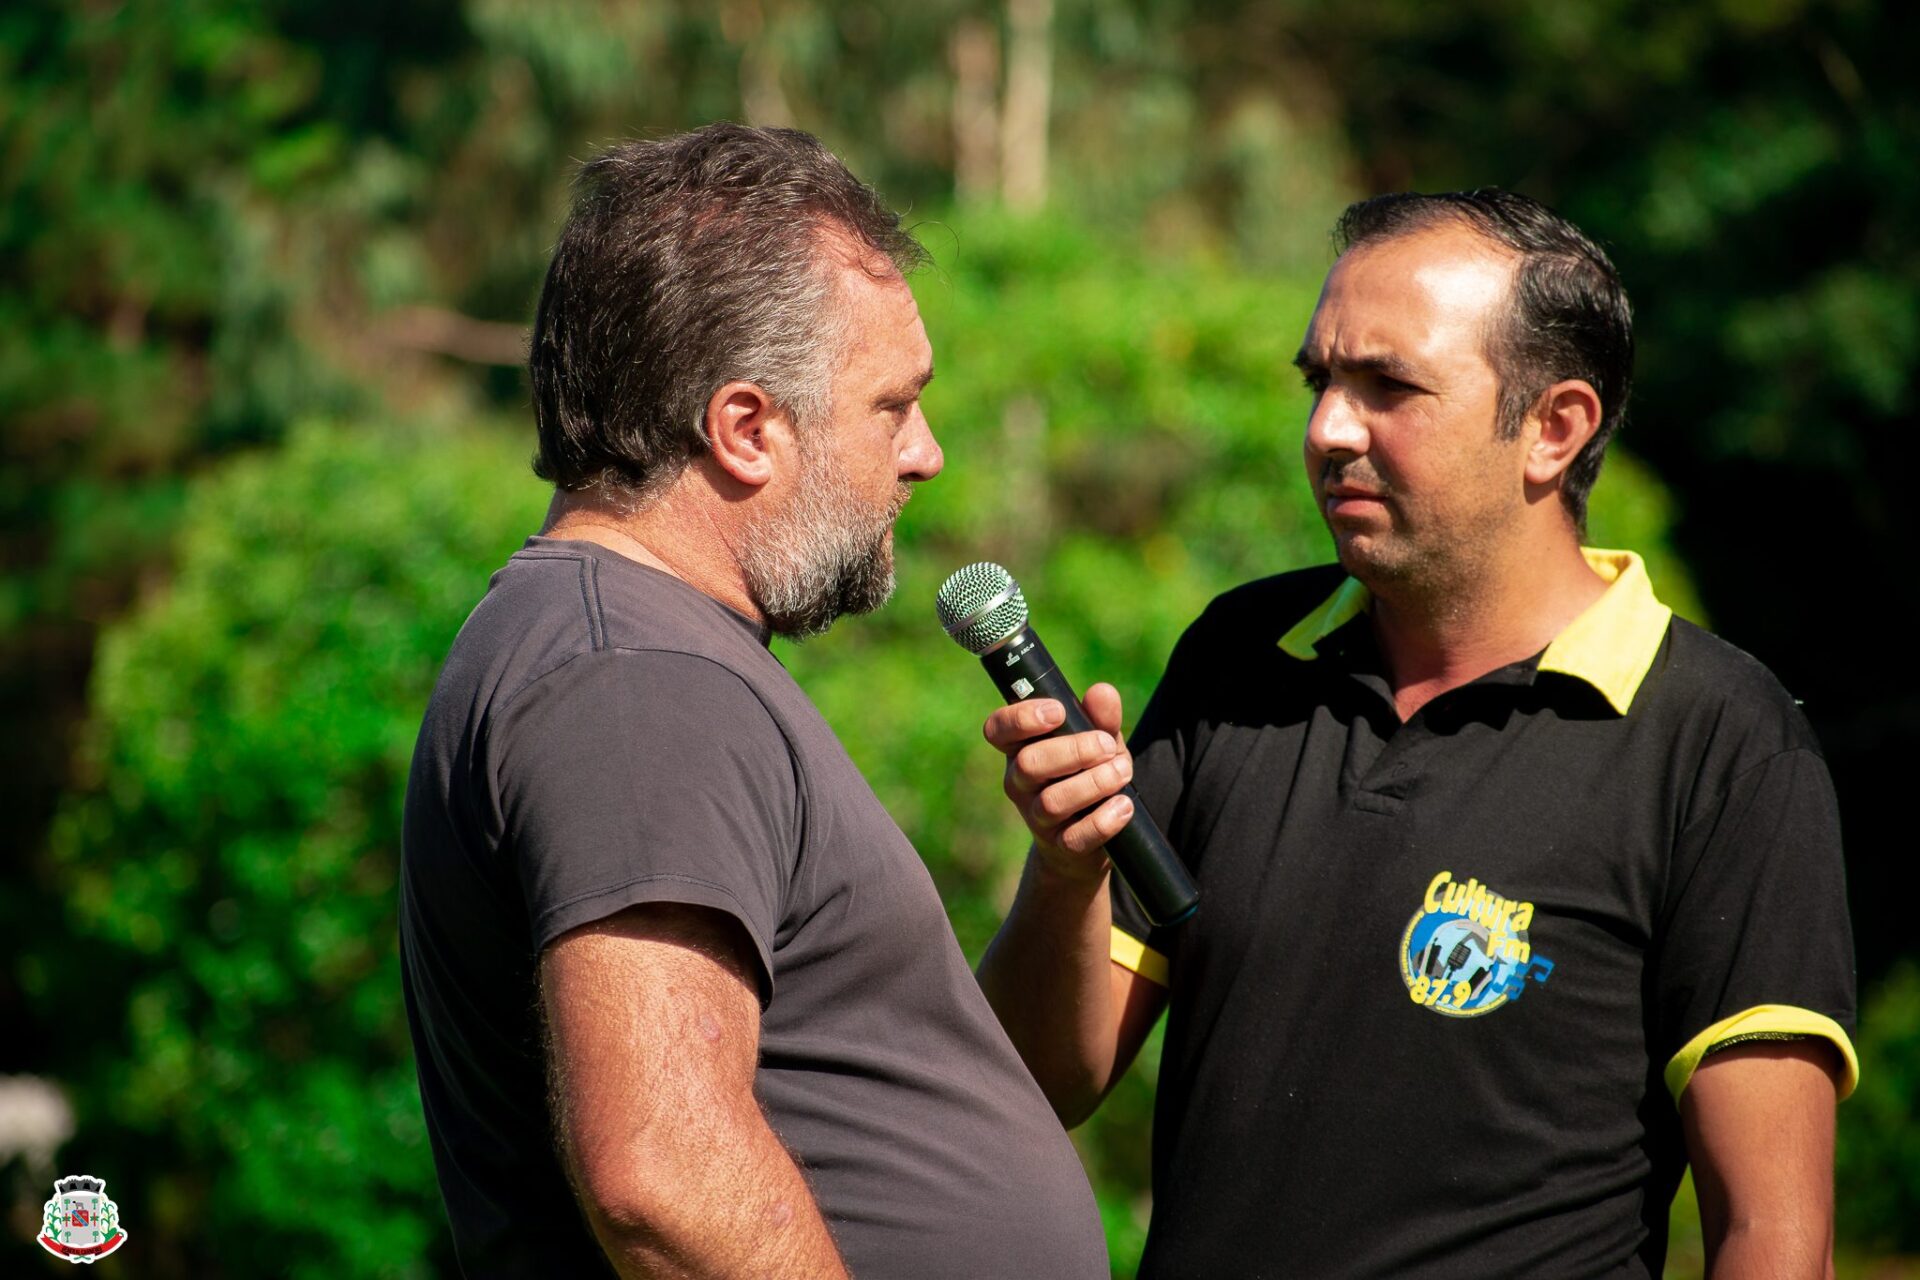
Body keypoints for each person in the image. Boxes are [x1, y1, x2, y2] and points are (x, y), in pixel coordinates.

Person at [975, 190, 1856, 1277]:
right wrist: (1063, 877)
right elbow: (1036, 1082)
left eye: (1389, 387)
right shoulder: (1240, 654)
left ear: (1554, 427)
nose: (1328, 428)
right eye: (1321, 381)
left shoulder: (1720, 740)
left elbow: (1774, 1236)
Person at [399, 124, 1106, 1280]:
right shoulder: (635, 679)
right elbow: (662, 1178)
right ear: (745, 428)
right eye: (893, 405)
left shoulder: (637, 651)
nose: (926, 452)